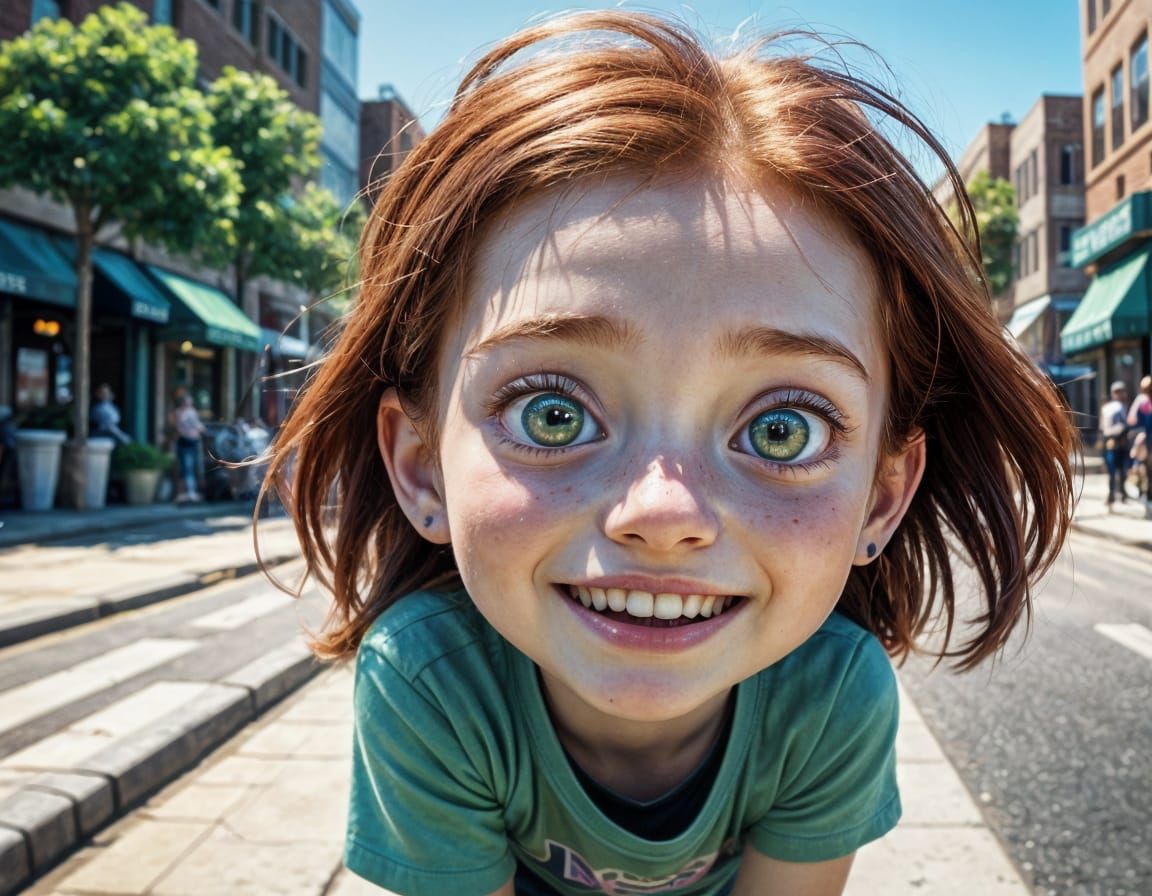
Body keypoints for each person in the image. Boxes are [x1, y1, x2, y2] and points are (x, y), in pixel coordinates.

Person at [261, 12, 1077, 895]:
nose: (662, 513)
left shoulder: (830, 694)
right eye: (550, 415)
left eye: (782, 429)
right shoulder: (431, 686)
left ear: (882, 498)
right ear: (420, 465)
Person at [1099, 380, 1130, 507]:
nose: (1119, 394)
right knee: (1111, 471)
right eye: (1116, 392)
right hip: (1111, 442)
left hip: (1124, 443)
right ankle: (1111, 494)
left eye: (1121, 391)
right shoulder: (1107, 408)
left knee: (1123, 470)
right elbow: (1104, 428)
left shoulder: (1128, 406)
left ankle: (1122, 493)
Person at [173, 393, 204, 503]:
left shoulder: (186, 412)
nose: (189, 403)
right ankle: (189, 492)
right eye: (188, 401)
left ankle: (188, 492)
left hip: (189, 441)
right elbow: (197, 426)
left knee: (189, 466)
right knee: (188, 467)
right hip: (187, 442)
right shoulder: (185, 412)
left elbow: (197, 427)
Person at [1128, 375, 1152, 501]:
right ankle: (1144, 492)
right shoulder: (1142, 400)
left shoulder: (1142, 400)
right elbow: (1132, 420)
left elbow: (1131, 419)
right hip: (1144, 439)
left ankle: (1146, 493)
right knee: (1142, 466)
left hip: (1147, 438)